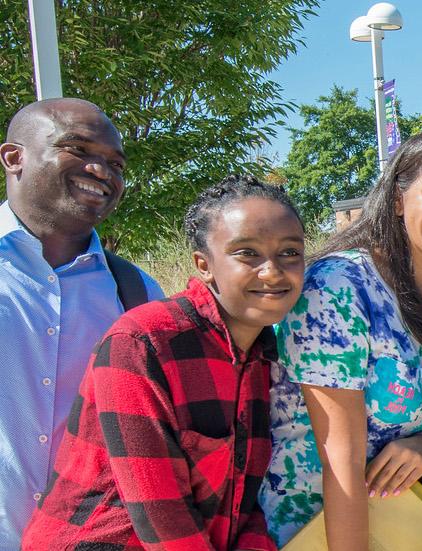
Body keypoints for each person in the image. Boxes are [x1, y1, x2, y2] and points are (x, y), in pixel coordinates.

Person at [259, 128, 422, 547]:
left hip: (405, 529)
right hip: (312, 530)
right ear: (398, 199)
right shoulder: (339, 287)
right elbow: (340, 463)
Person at [22, 175, 306, 550]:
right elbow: (162, 516)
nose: (272, 271)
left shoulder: (265, 356)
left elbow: (243, 498)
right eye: (247, 253)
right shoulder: (142, 343)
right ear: (204, 265)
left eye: (289, 252)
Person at [0, 98, 165, 547]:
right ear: (14, 157)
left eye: (115, 163)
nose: (101, 171)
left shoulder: (140, 296)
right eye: (78, 149)